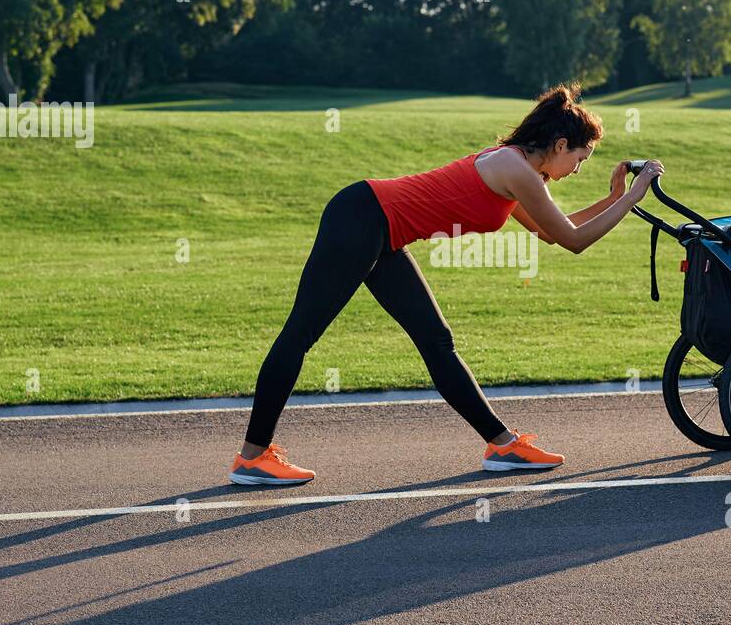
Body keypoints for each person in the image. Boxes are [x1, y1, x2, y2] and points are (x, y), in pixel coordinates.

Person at [229, 83, 665, 486]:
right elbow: (574, 241)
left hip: (380, 231)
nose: (576, 170)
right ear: (559, 145)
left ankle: (503, 445)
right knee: (300, 333)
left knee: (437, 341)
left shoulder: (514, 168)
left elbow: (553, 232)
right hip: (362, 218)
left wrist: (613, 199)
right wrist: (632, 197)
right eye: (579, 160)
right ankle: (253, 457)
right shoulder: (516, 170)